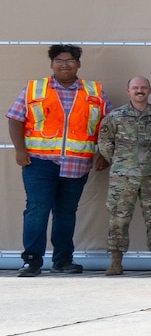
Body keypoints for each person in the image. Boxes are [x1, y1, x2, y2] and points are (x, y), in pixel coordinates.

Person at [9, 44, 104, 276]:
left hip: (76, 163)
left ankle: (63, 260)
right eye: (59, 60)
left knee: (66, 213)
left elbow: (108, 125)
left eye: (70, 60)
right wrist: (20, 150)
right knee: (37, 210)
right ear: (52, 64)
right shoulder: (34, 88)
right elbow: (15, 118)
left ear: (78, 64)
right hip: (39, 162)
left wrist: (103, 154)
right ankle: (32, 261)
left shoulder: (94, 91)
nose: (65, 65)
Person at [95, 75, 151, 276]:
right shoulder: (115, 117)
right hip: (123, 178)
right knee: (118, 219)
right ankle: (116, 261)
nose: (139, 91)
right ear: (128, 91)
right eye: (135, 88)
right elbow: (105, 142)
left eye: (143, 87)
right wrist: (121, 162)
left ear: (149, 90)